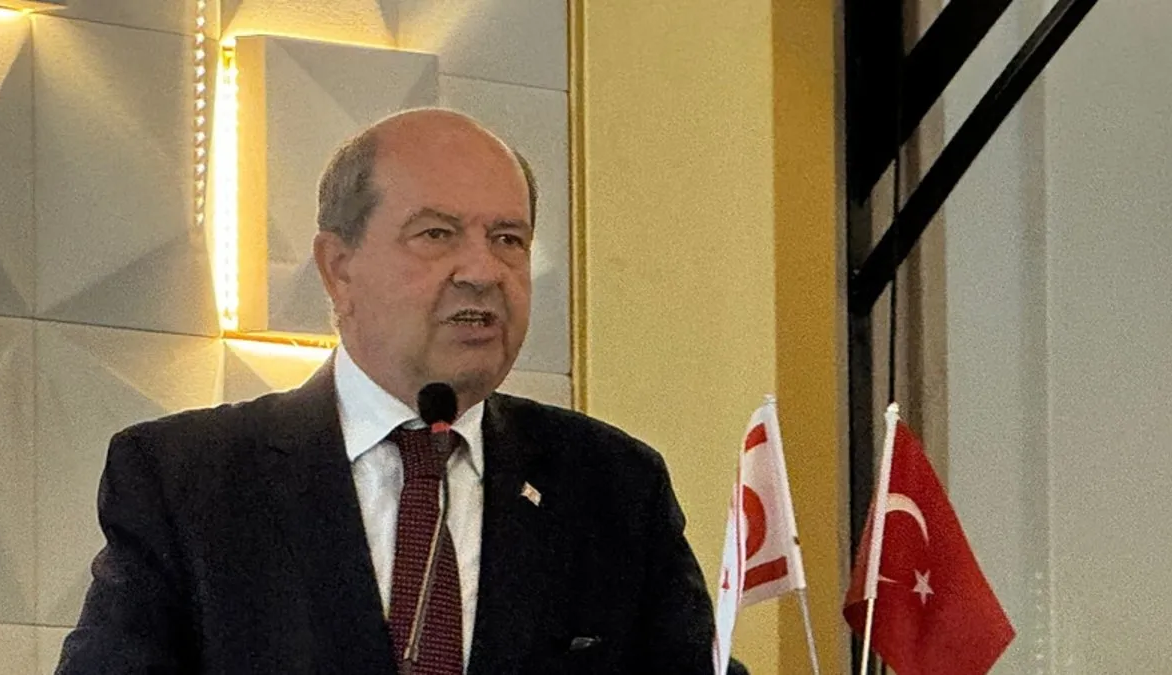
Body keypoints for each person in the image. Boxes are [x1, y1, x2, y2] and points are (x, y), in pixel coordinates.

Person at [56, 108, 725, 674]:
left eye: (508, 239)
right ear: (338, 267)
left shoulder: (613, 486)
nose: (483, 270)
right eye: (437, 234)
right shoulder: (188, 480)